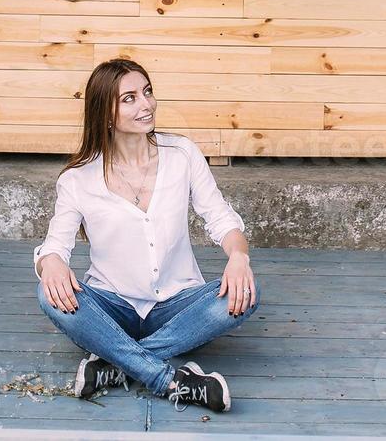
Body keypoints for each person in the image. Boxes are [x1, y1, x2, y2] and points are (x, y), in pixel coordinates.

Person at [32, 58, 257, 413]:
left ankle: (113, 361)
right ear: (104, 113)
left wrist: (239, 258)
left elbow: (224, 222)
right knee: (48, 295)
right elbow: (54, 248)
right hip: (112, 305)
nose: (146, 104)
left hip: (177, 303)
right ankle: (172, 381)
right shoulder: (77, 179)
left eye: (147, 92)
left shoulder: (182, 154)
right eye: (130, 98)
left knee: (244, 293)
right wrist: (52, 264)